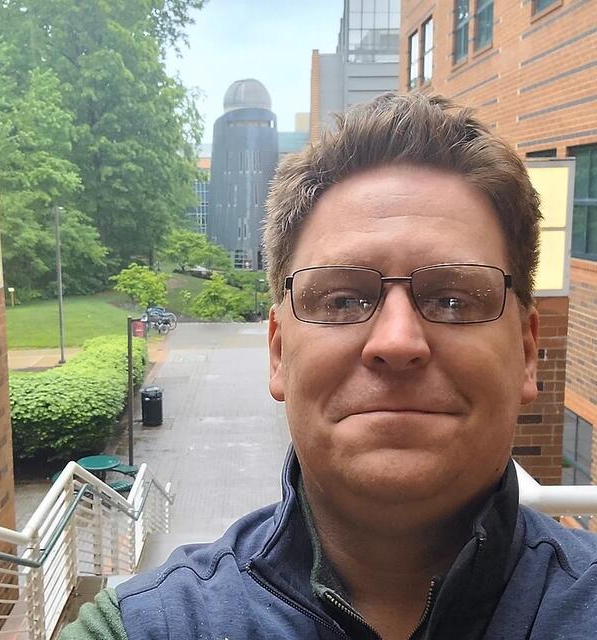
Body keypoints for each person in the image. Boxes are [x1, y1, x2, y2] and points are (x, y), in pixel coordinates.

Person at [62, 92, 597, 639]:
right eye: (342, 300)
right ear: (277, 352)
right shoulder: (141, 629)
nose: (396, 341)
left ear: (527, 353)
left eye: (453, 300)